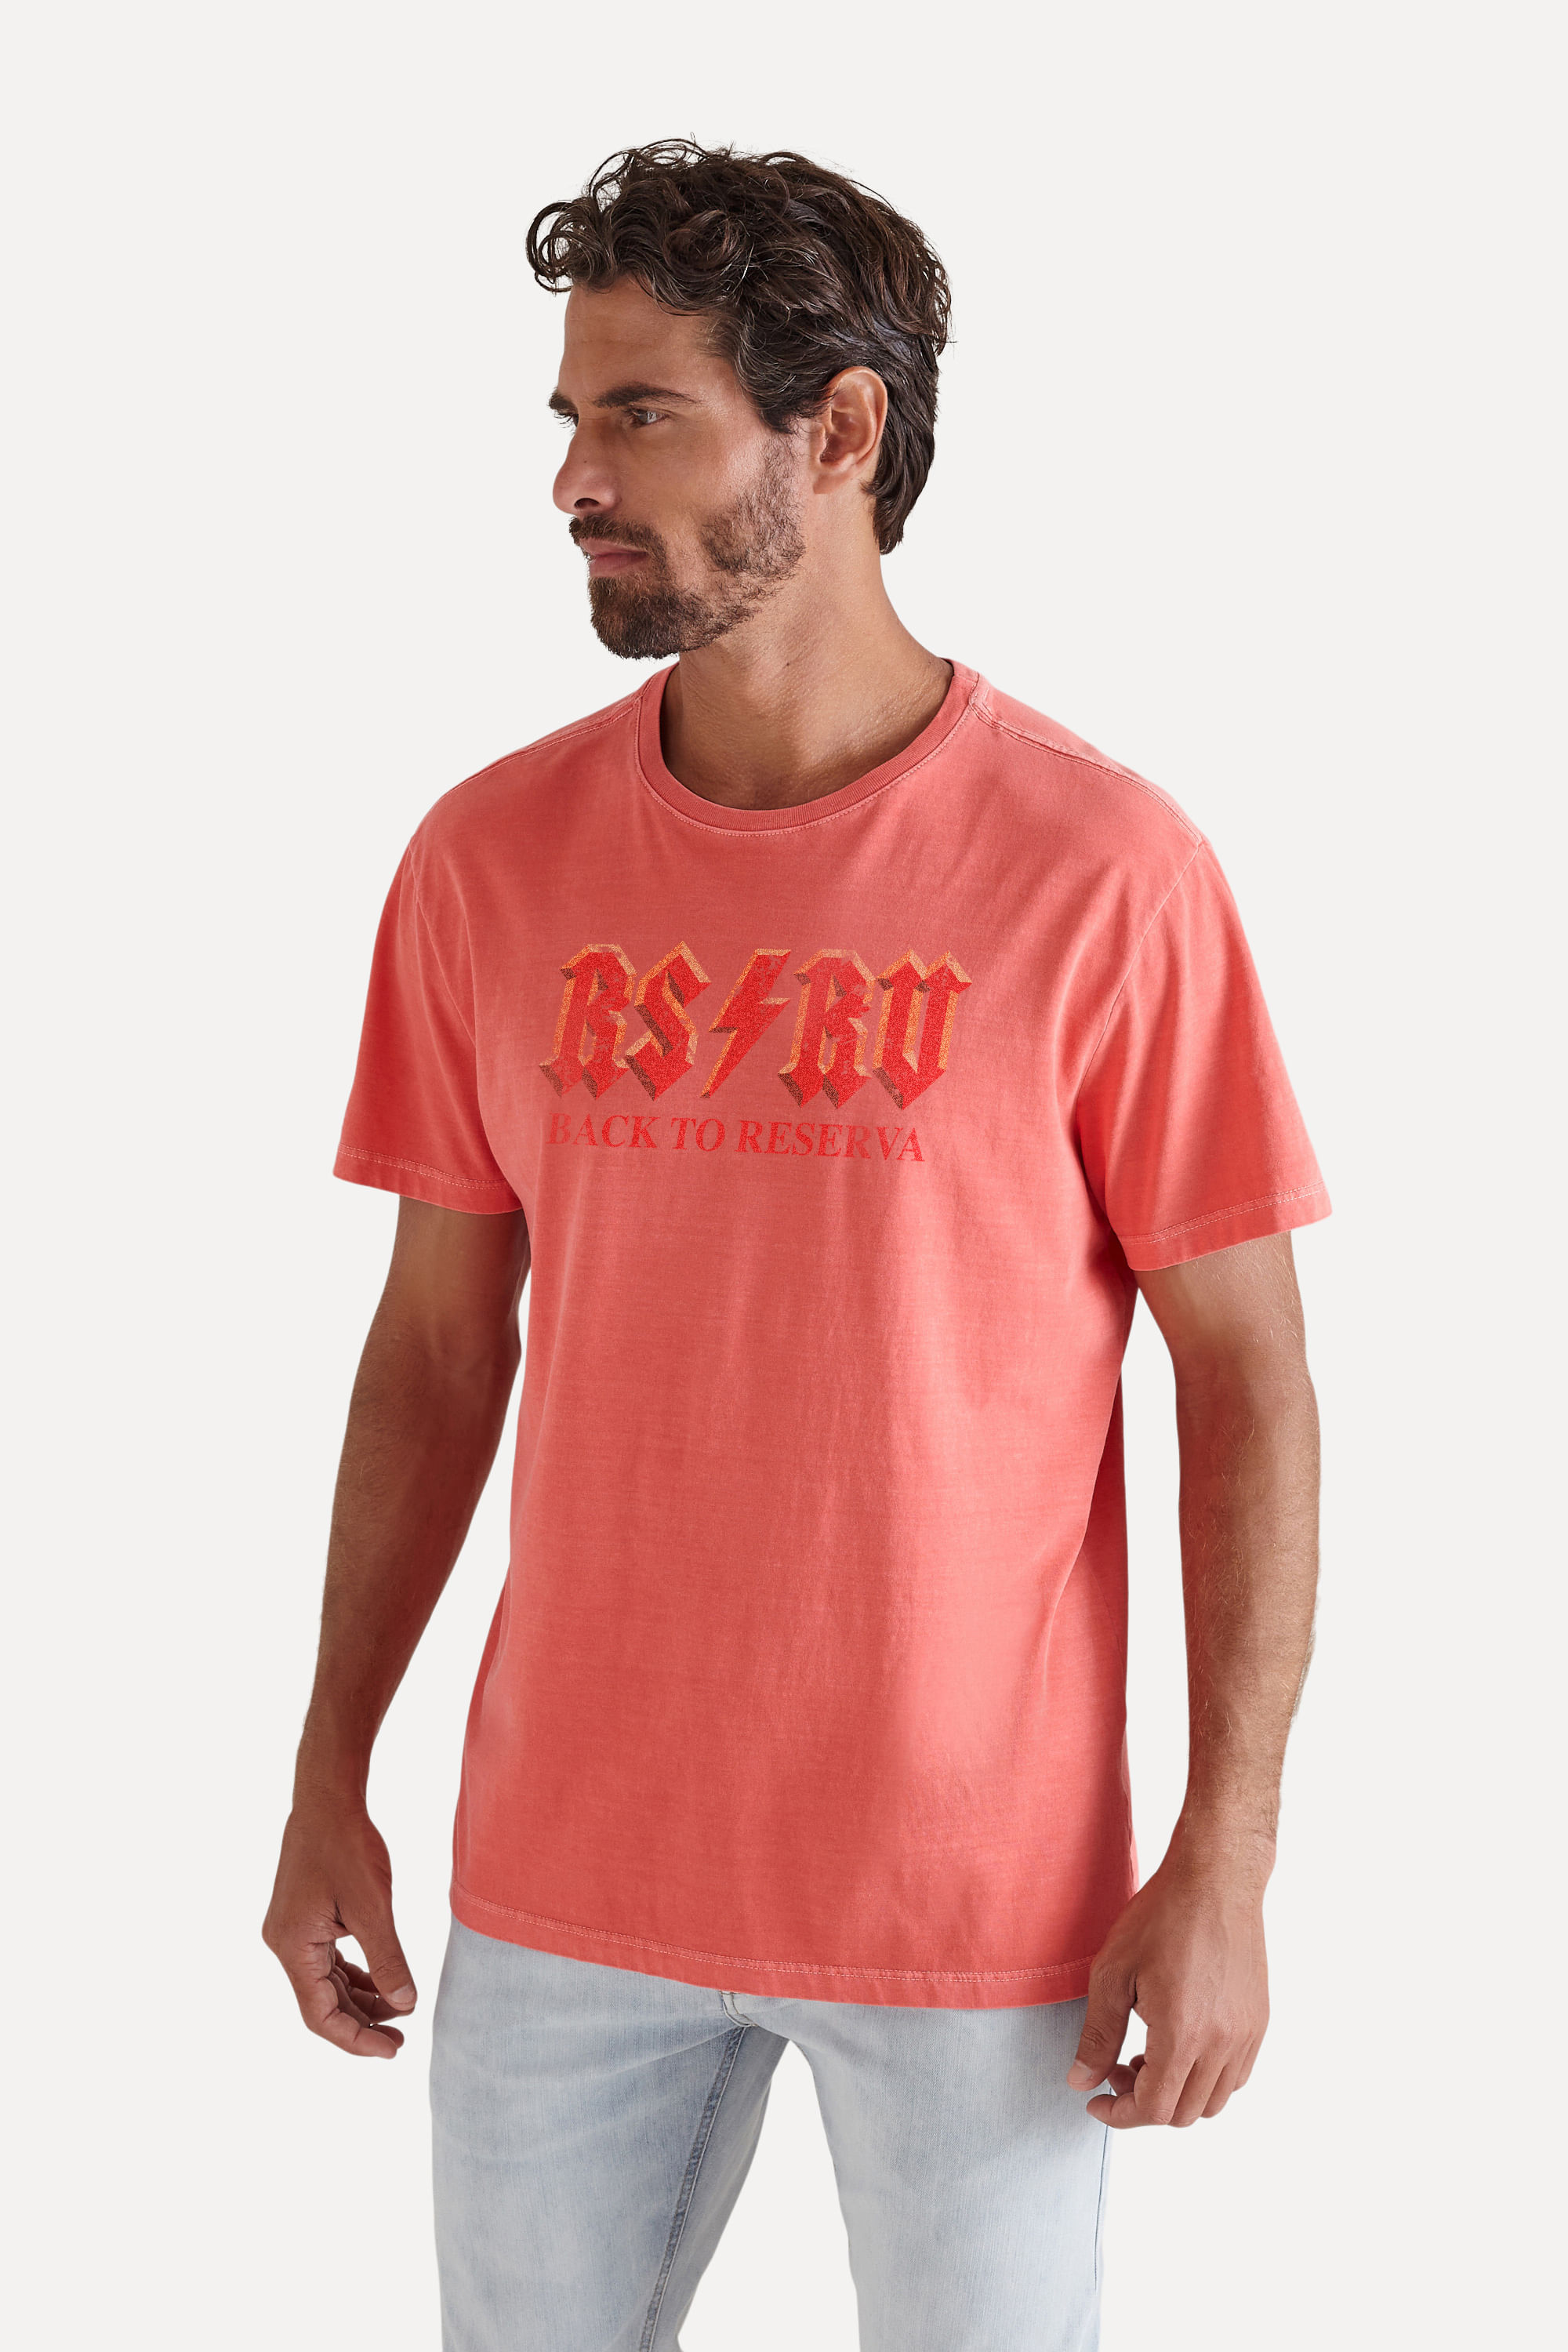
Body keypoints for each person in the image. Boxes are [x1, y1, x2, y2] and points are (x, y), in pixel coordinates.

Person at [263, 140, 1328, 2352]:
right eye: (571, 416)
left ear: (840, 431)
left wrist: (1223, 1858)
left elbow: (1245, 1376)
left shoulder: (1105, 872)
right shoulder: (484, 860)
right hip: (566, 1878)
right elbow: (437, 1351)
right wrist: (325, 1770)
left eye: (642, 415)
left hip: (976, 1906)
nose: (575, 478)